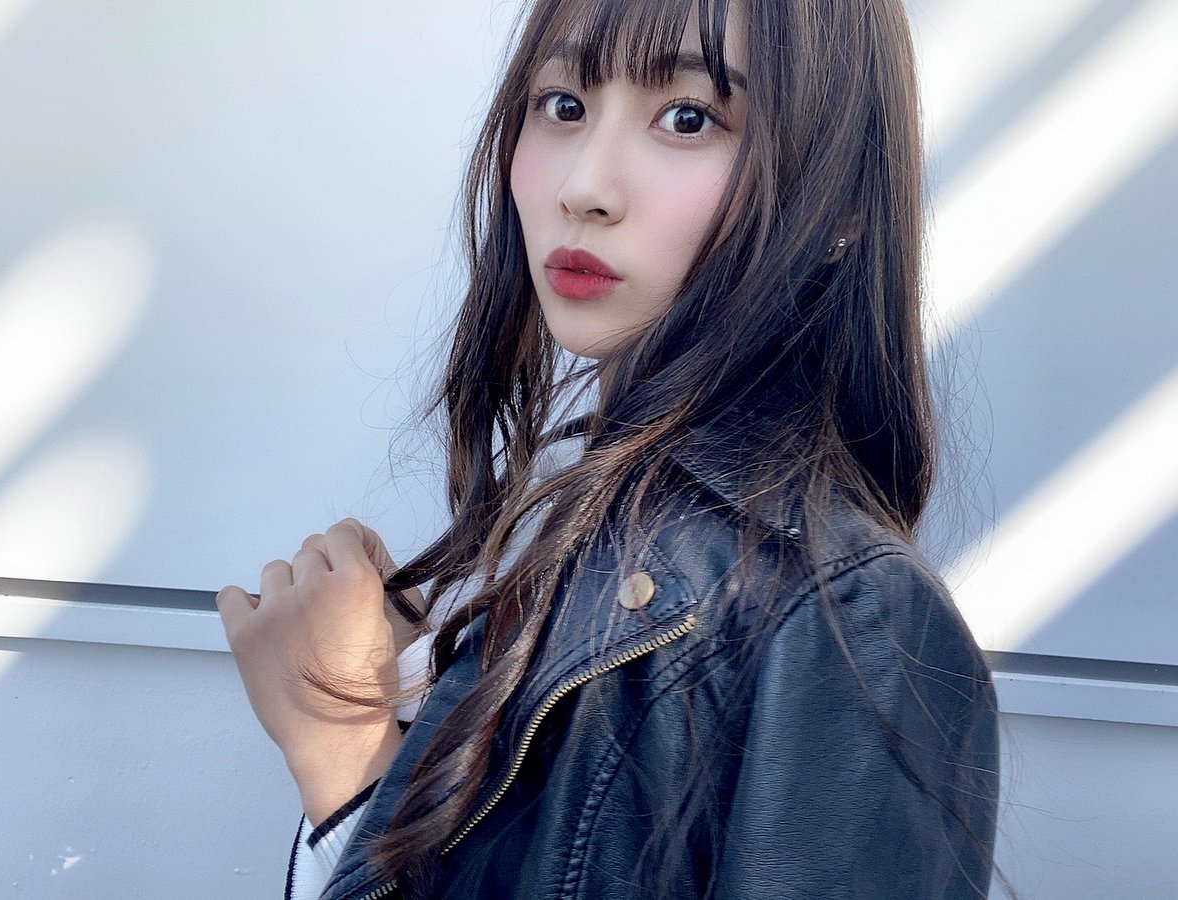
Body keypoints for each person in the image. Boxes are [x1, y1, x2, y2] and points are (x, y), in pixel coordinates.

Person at [216, 0, 1002, 897]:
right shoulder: (599, 536)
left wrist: (341, 752)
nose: (585, 186)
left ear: (843, 203)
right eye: (563, 105)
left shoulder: (851, 619)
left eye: (689, 118)